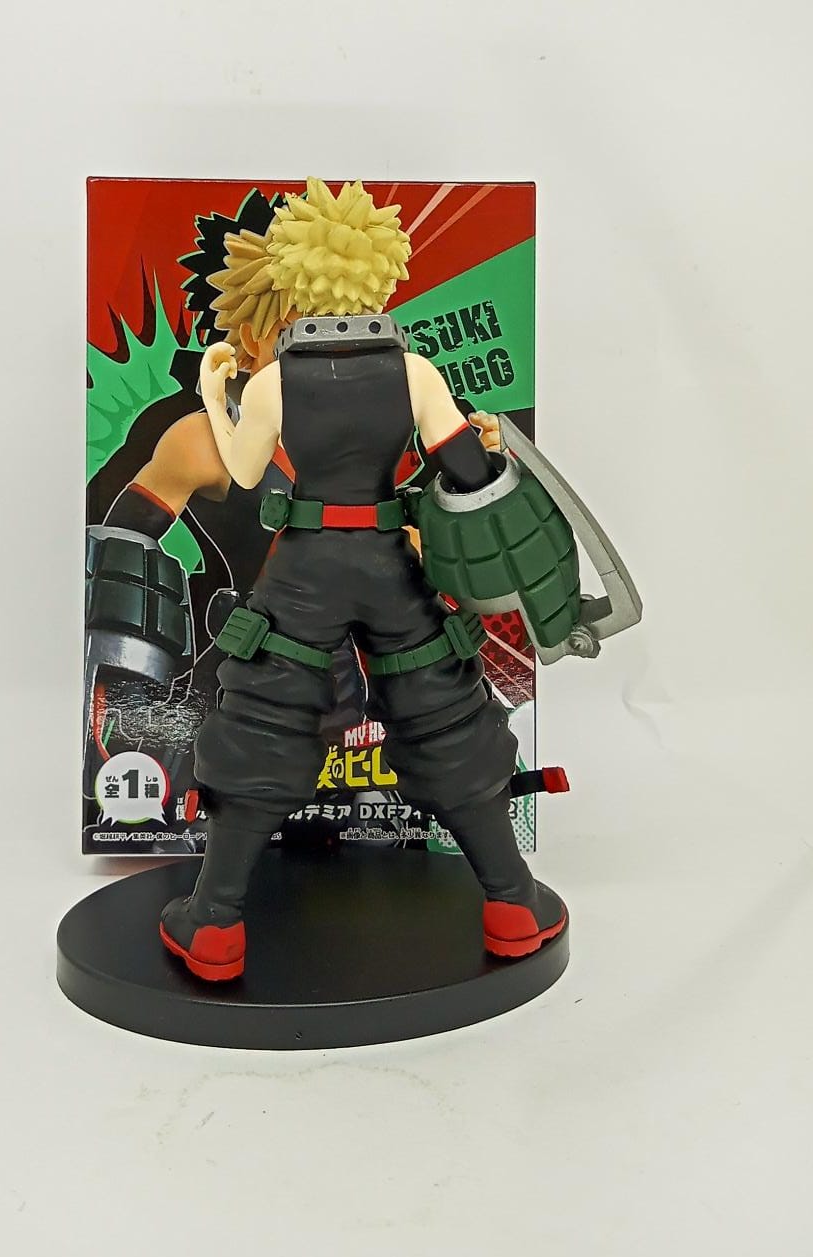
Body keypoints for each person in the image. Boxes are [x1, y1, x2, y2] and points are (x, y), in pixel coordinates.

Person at [158, 179, 567, 981]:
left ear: (293, 276)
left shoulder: (273, 381)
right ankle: (514, 902)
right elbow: (464, 470)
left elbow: (246, 473)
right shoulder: (413, 372)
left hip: (304, 569)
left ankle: (213, 925)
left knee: (265, 721)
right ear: (378, 273)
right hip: (389, 563)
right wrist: (487, 448)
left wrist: (212, 394)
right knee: (445, 715)